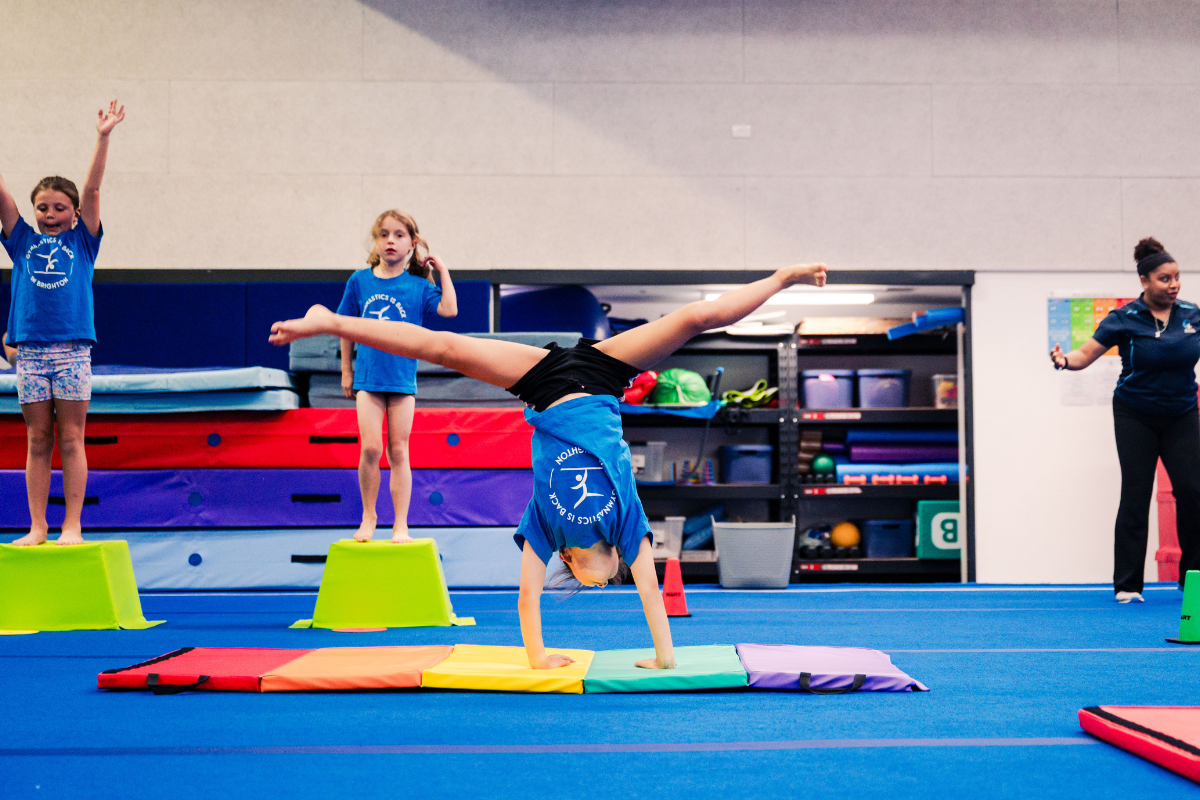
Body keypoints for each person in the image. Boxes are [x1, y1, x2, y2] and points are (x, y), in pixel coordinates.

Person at [270, 262, 828, 668]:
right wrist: (664, 656)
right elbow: (651, 594)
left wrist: (537, 656)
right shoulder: (627, 525)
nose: (604, 581)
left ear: (569, 560)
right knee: (695, 318)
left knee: (441, 349)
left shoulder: (545, 528)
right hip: (604, 375)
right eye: (611, 578)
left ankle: (333, 323)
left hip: (543, 385)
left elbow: (528, 597)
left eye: (591, 583)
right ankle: (783, 277)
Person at [0, 100, 125, 546]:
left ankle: (72, 525)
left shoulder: (82, 243)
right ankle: (38, 526)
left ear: (73, 213)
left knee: (71, 439)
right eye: (42, 208)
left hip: (72, 352)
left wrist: (103, 137)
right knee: (37, 440)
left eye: (58, 208)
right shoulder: (21, 241)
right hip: (31, 354)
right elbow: (3, 196)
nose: (50, 215)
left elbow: (92, 190)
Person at [1051, 237, 1200, 602]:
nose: (1174, 284)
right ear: (1144, 281)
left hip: (1182, 413)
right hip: (1136, 414)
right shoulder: (1124, 318)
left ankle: (1192, 577)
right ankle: (1129, 584)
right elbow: (1086, 353)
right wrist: (1064, 360)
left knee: (1193, 492)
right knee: (1136, 494)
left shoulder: (1192, 315)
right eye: (1164, 279)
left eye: (1177, 277)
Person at [338, 209, 458, 543]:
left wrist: (442, 271)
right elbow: (343, 327)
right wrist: (346, 370)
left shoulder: (417, 287)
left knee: (399, 451)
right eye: (384, 234)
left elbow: (449, 309)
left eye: (399, 235)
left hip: (402, 381)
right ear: (376, 241)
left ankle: (400, 524)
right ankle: (369, 517)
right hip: (368, 380)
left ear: (412, 244)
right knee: (370, 449)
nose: (391, 240)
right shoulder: (359, 281)